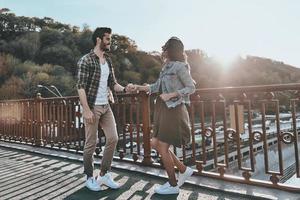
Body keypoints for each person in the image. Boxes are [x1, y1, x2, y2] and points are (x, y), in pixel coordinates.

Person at [133, 37, 196, 195]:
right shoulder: (166, 66)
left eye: (165, 48)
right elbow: (156, 87)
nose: (163, 51)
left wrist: (171, 95)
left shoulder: (181, 66)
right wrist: (138, 87)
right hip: (162, 109)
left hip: (173, 109)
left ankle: (173, 185)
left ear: (171, 50)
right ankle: (182, 169)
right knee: (155, 143)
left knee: (161, 146)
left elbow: (191, 87)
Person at [76, 27, 134, 191]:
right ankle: (89, 177)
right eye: (108, 39)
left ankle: (103, 174)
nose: (110, 42)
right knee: (91, 144)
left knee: (113, 138)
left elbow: (113, 84)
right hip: (92, 107)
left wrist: (125, 89)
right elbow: (80, 87)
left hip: (106, 105)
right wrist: (86, 109)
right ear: (99, 40)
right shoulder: (85, 60)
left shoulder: (108, 60)